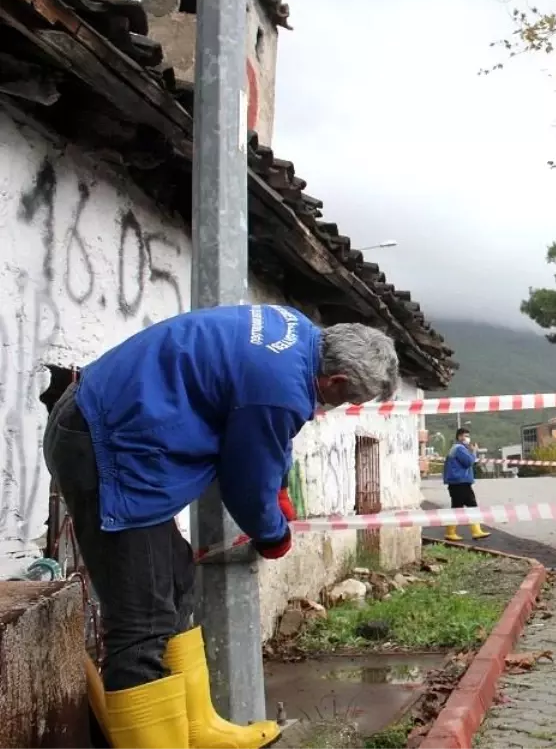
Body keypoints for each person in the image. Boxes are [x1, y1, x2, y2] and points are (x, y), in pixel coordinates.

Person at [43, 304, 400, 749]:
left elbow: (265, 437)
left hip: (109, 427)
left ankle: (197, 728)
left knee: (175, 576)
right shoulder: (281, 387)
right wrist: (273, 533)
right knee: (142, 621)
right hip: (105, 447)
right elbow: (246, 485)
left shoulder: (297, 335)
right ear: (337, 382)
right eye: (345, 399)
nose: (334, 406)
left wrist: (279, 487)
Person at [441, 427, 490, 541]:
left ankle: (452, 531)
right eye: (465, 435)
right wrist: (474, 451)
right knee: (469, 505)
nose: (467, 438)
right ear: (459, 437)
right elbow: (468, 462)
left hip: (458, 482)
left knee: (459, 507)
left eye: (468, 435)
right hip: (460, 482)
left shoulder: (457, 448)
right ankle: (474, 531)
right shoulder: (459, 448)